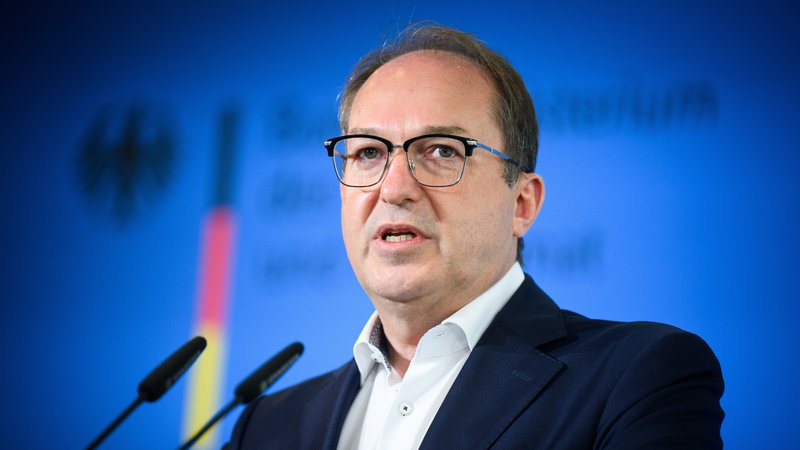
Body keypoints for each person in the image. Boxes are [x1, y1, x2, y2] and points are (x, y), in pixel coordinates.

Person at [226, 23, 724, 449]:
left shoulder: (637, 378)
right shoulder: (267, 426)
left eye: (442, 151)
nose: (393, 188)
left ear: (522, 204)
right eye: (368, 153)